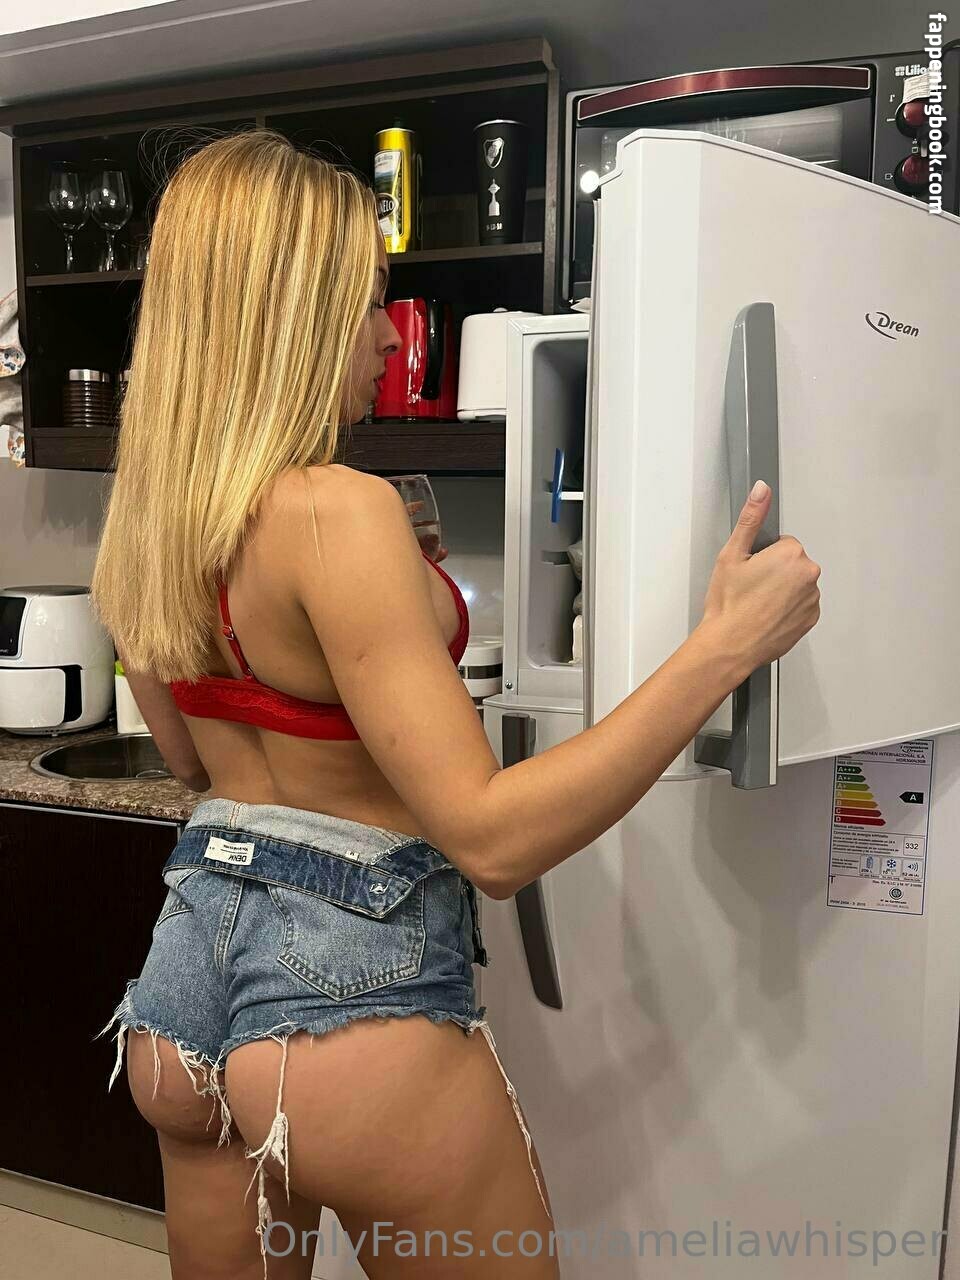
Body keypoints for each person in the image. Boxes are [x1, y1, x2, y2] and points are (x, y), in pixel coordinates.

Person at [90, 130, 820, 1280]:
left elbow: (190, 760)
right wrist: (725, 645)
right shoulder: (335, 510)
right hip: (345, 992)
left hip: (184, 986)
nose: (387, 335)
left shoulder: (144, 519)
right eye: (366, 300)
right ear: (291, 313)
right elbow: (491, 837)